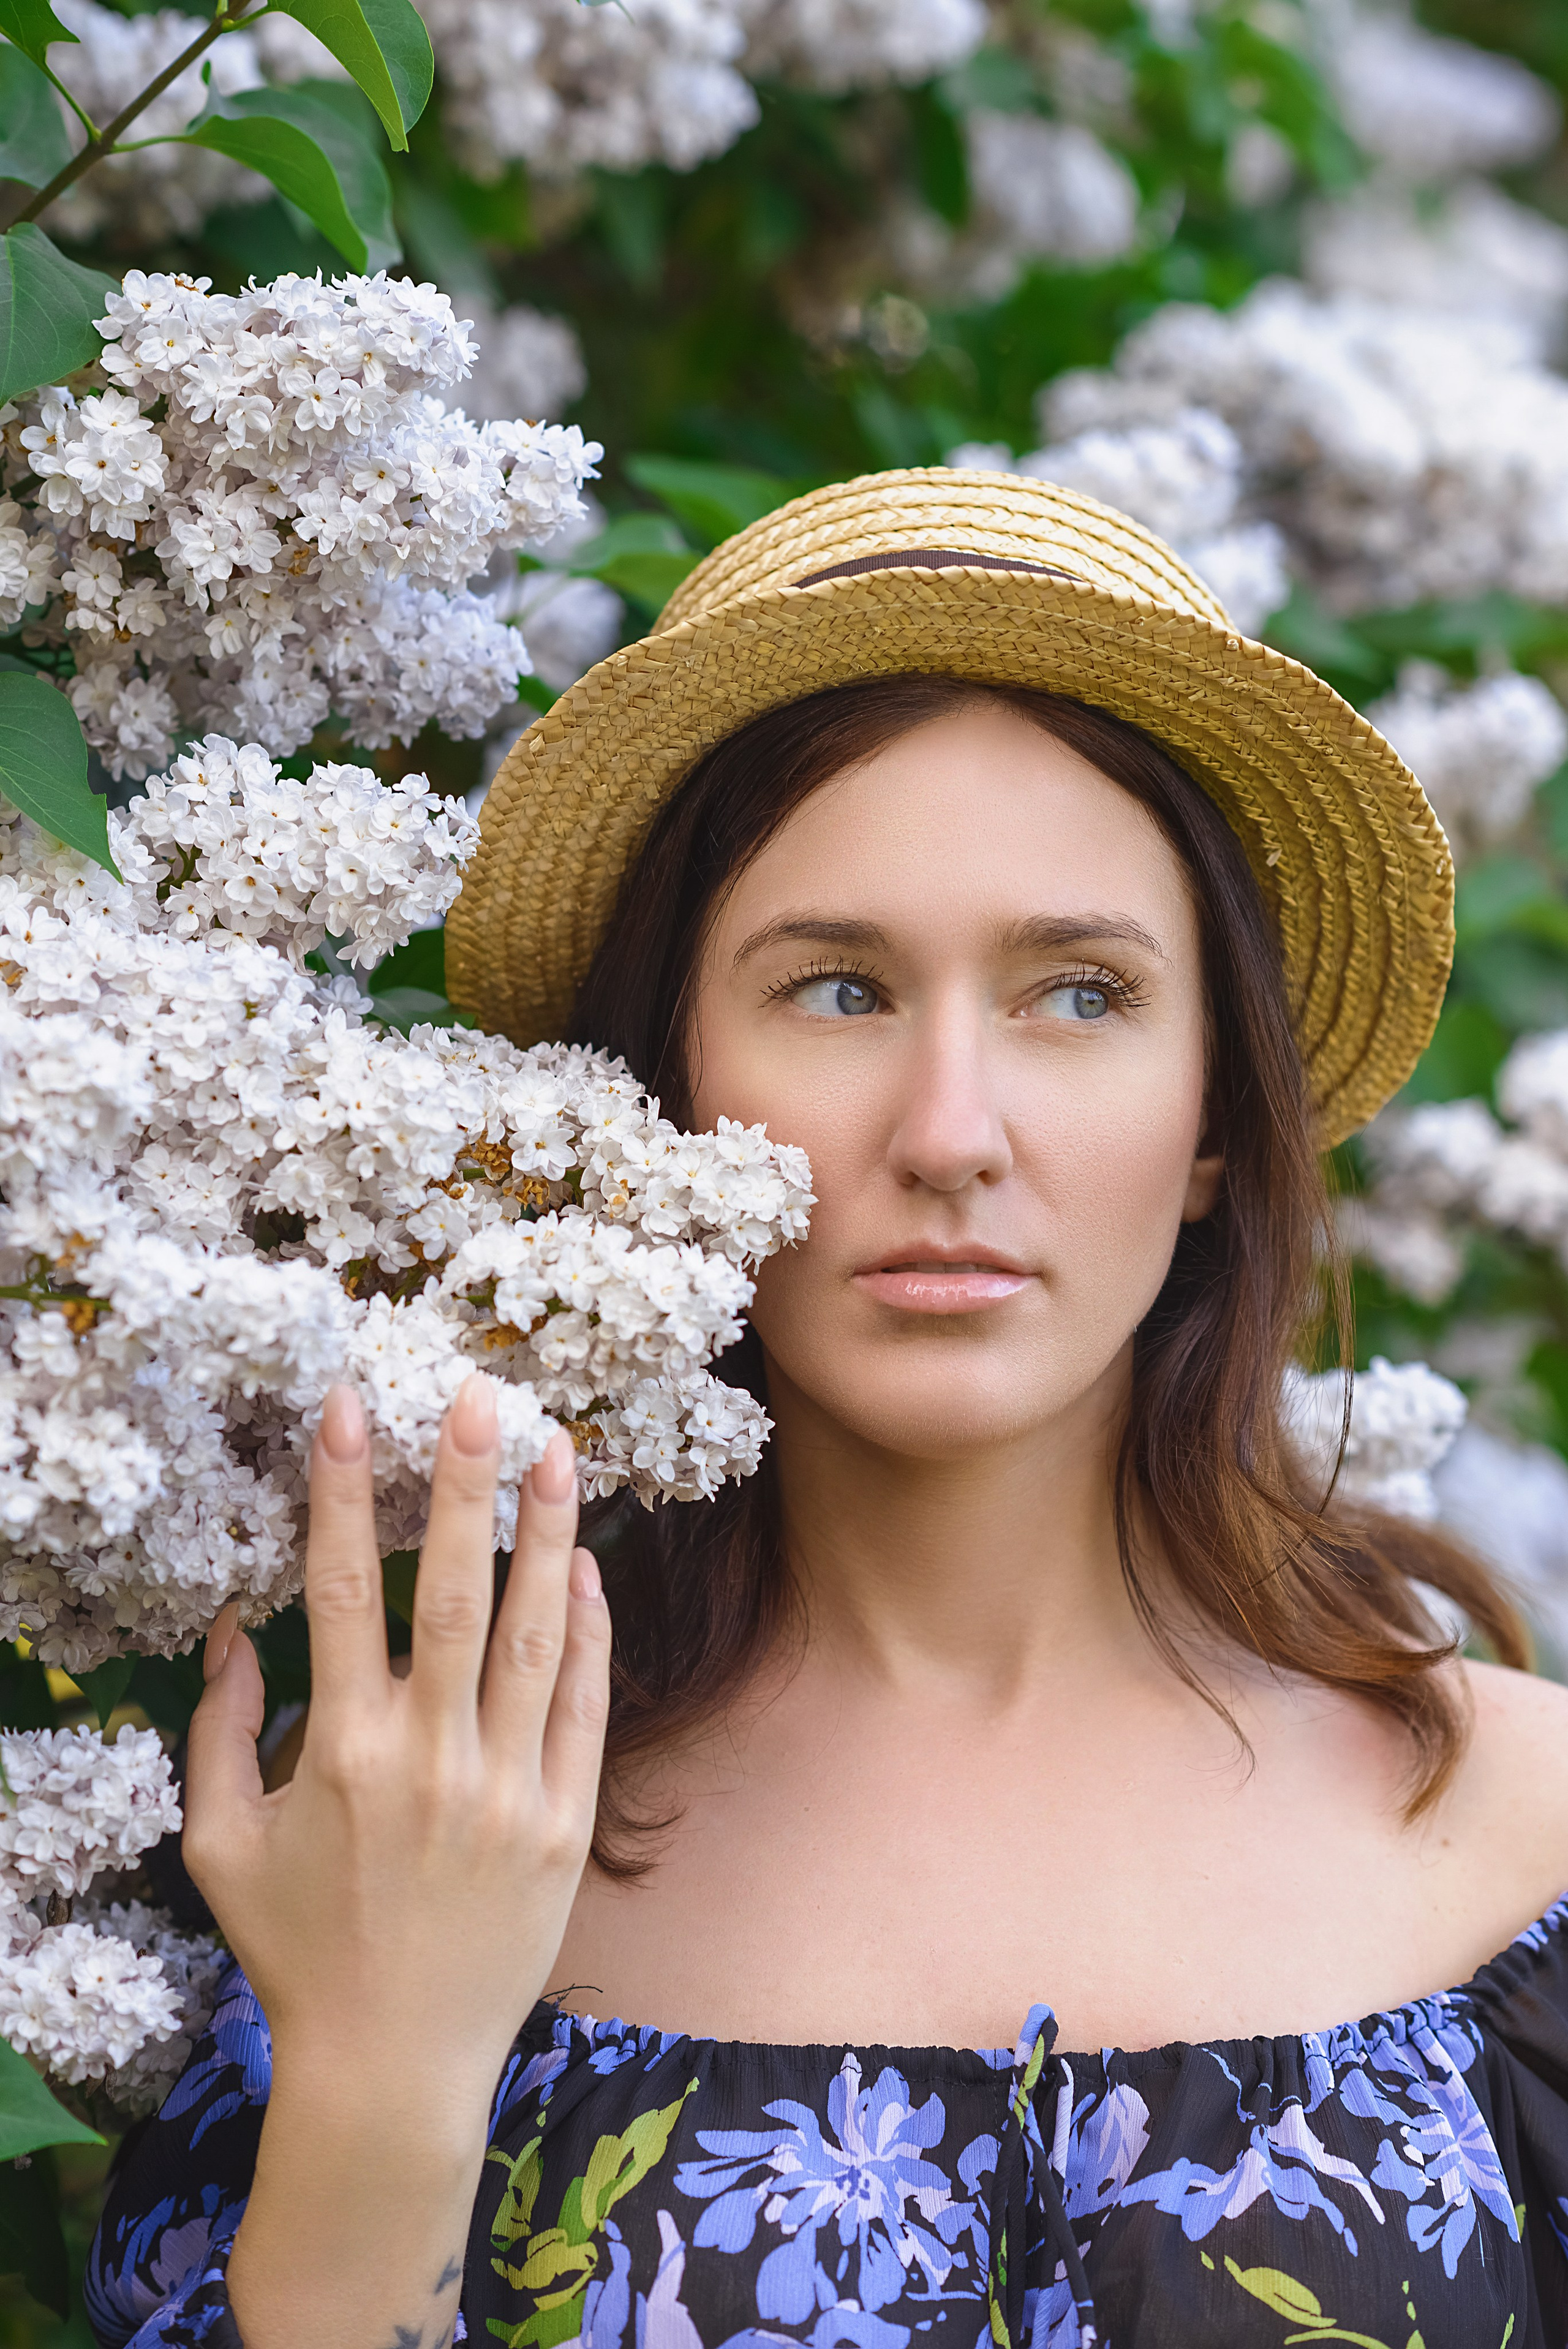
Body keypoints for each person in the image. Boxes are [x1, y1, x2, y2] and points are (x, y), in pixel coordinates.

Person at [86, 472, 1568, 2349]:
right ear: (670, 1088)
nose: (951, 1132)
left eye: (1080, 992)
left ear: (1212, 1115)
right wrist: (390, 2067)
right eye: (841, 987)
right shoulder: (416, 1830)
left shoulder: (1529, 1845)